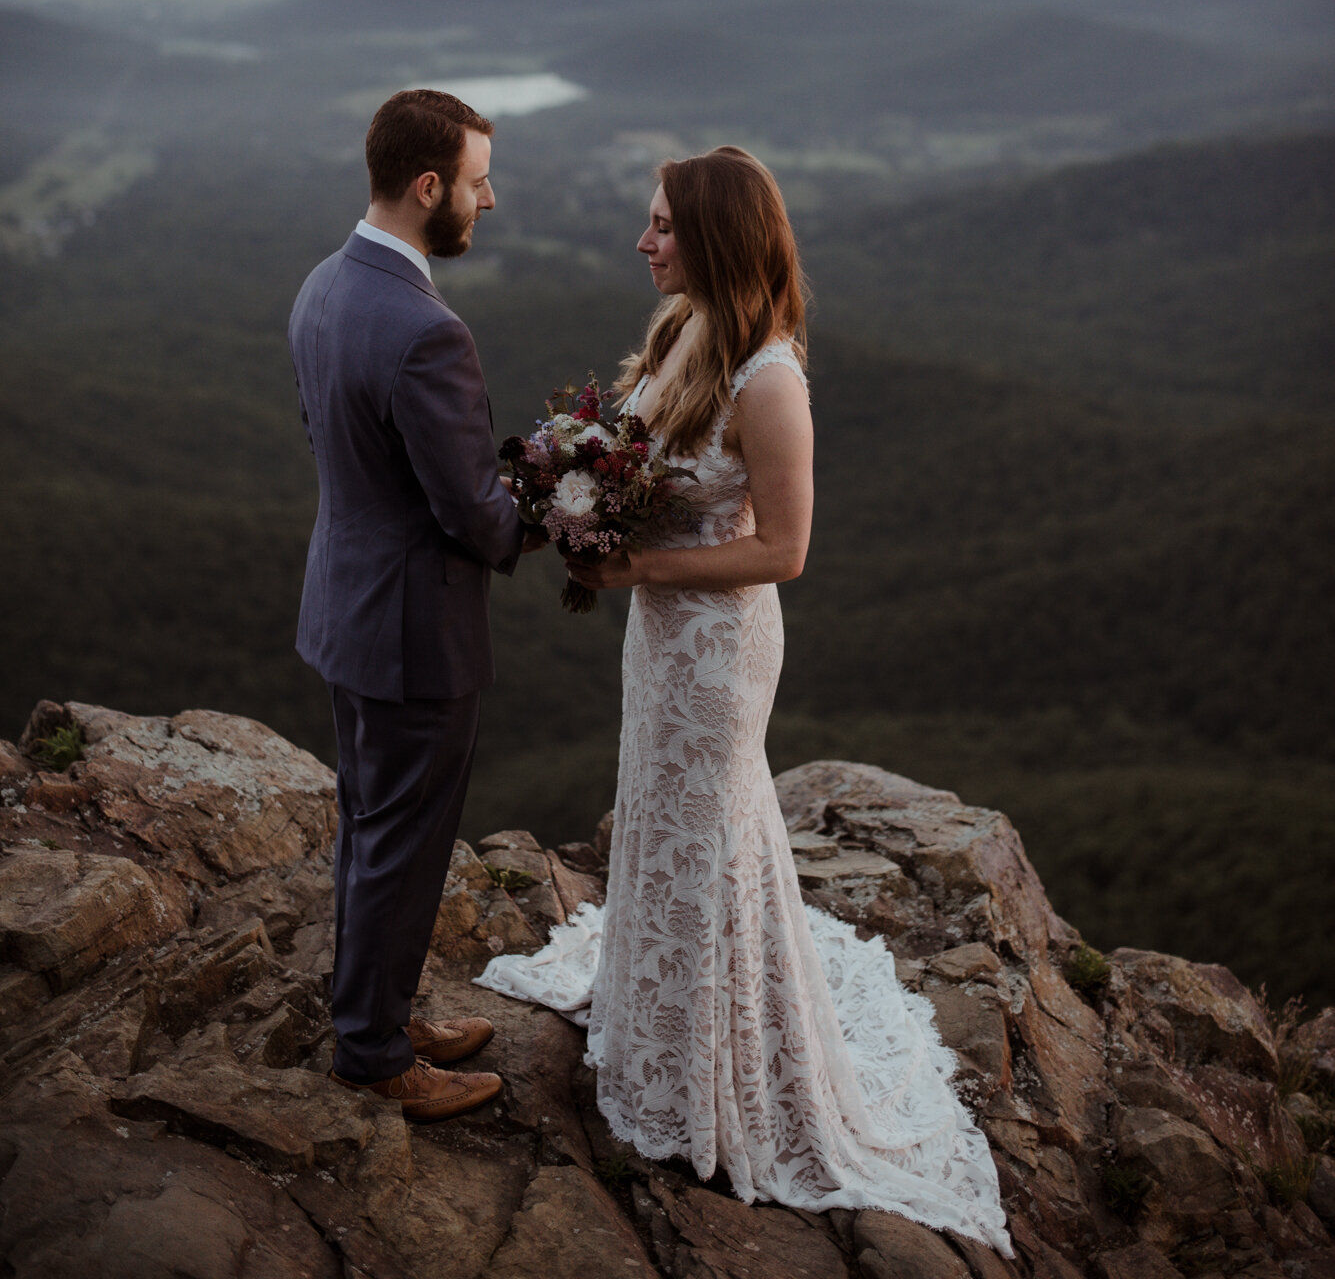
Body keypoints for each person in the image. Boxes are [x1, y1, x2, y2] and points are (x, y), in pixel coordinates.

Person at [477, 146, 1012, 1249]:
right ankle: (662, 1021)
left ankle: (712, 1067)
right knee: (667, 817)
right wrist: (582, 494)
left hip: (718, 649)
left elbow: (786, 547)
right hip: (661, 639)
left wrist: (633, 568)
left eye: (663, 224)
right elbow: (637, 458)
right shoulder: (681, 337)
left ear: (714, 236)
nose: (644, 241)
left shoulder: (770, 378)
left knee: (707, 829)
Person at [289, 88, 538, 1121]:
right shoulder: (428, 329)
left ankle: (378, 1009)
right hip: (412, 633)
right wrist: (561, 507)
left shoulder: (323, 284)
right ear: (429, 185)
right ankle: (375, 1049)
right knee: (399, 838)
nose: (489, 200)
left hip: (348, 609)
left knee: (370, 826)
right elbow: (472, 515)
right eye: (478, 182)